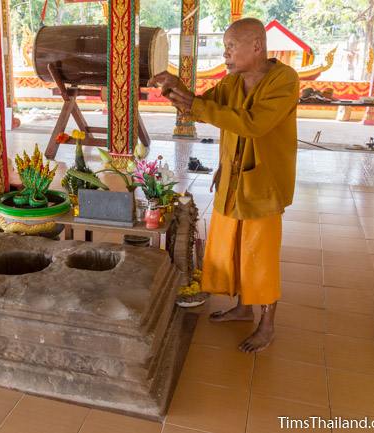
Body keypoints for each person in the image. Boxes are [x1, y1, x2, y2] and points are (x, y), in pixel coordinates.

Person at [149, 17, 299, 353]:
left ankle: (267, 323)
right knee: (232, 247)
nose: (226, 53)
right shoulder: (233, 82)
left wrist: (195, 104)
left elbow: (254, 124)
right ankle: (244, 308)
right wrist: (176, 88)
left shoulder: (284, 80)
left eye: (231, 46)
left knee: (259, 255)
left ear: (257, 46)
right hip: (231, 178)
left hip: (263, 183)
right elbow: (204, 106)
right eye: (225, 46)